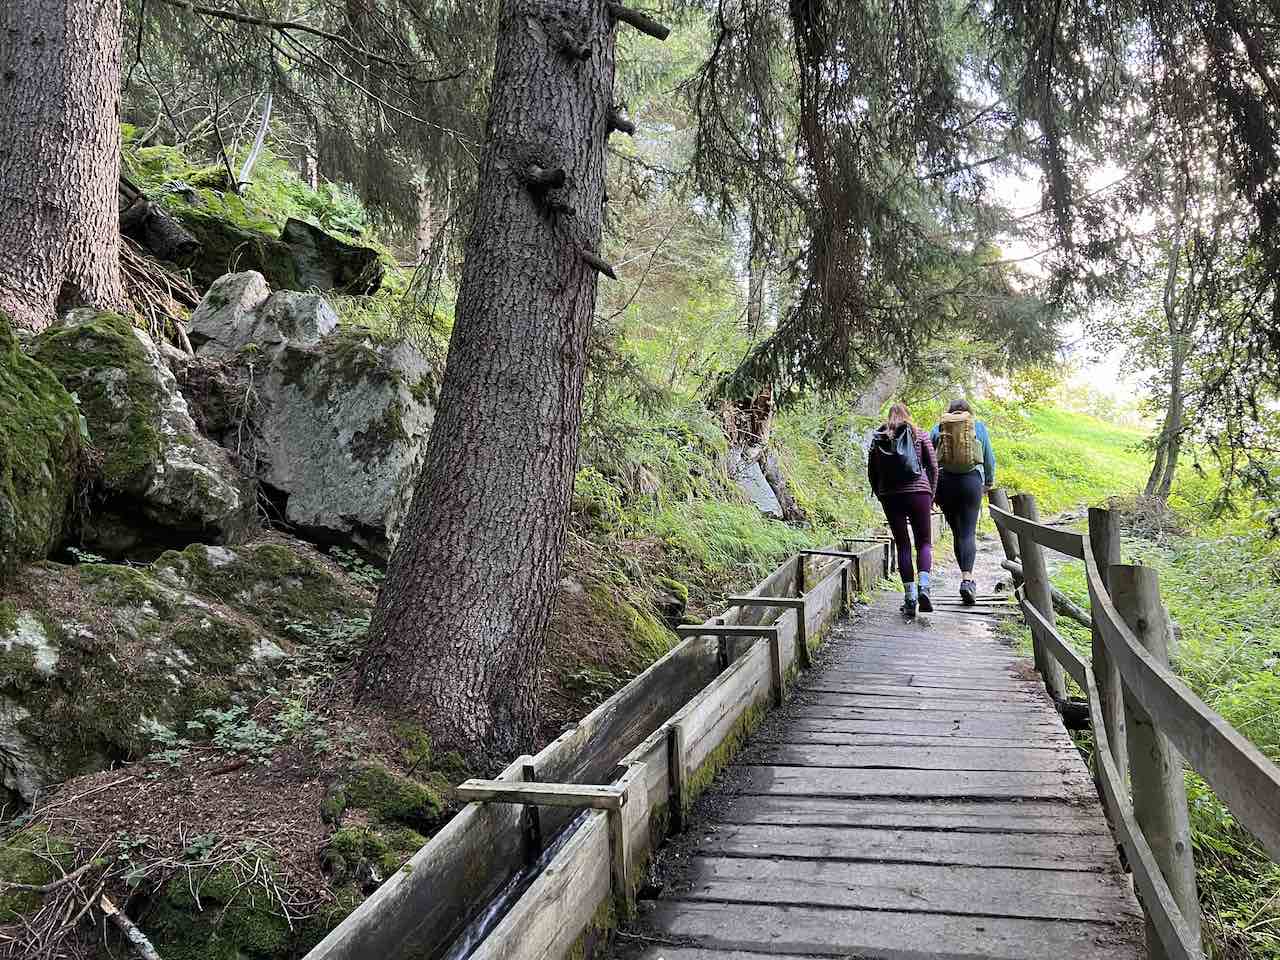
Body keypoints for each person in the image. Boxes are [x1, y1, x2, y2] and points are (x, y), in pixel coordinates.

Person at [867, 402, 938, 619]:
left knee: (903, 545)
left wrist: (880, 495)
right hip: (919, 494)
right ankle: (924, 587)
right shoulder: (919, 434)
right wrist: (931, 492)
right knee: (924, 542)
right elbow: (933, 467)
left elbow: (872, 471)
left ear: (889, 417)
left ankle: (910, 598)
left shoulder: (879, 438)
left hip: (891, 496)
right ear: (908, 416)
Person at [930, 398, 997, 606]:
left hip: (945, 482)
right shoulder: (978, 427)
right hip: (971, 482)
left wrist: (932, 490)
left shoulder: (938, 427)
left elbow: (930, 460)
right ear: (969, 412)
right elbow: (989, 458)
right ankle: (967, 580)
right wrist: (988, 483)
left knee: (958, 533)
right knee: (967, 532)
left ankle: (965, 577)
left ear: (949, 412)